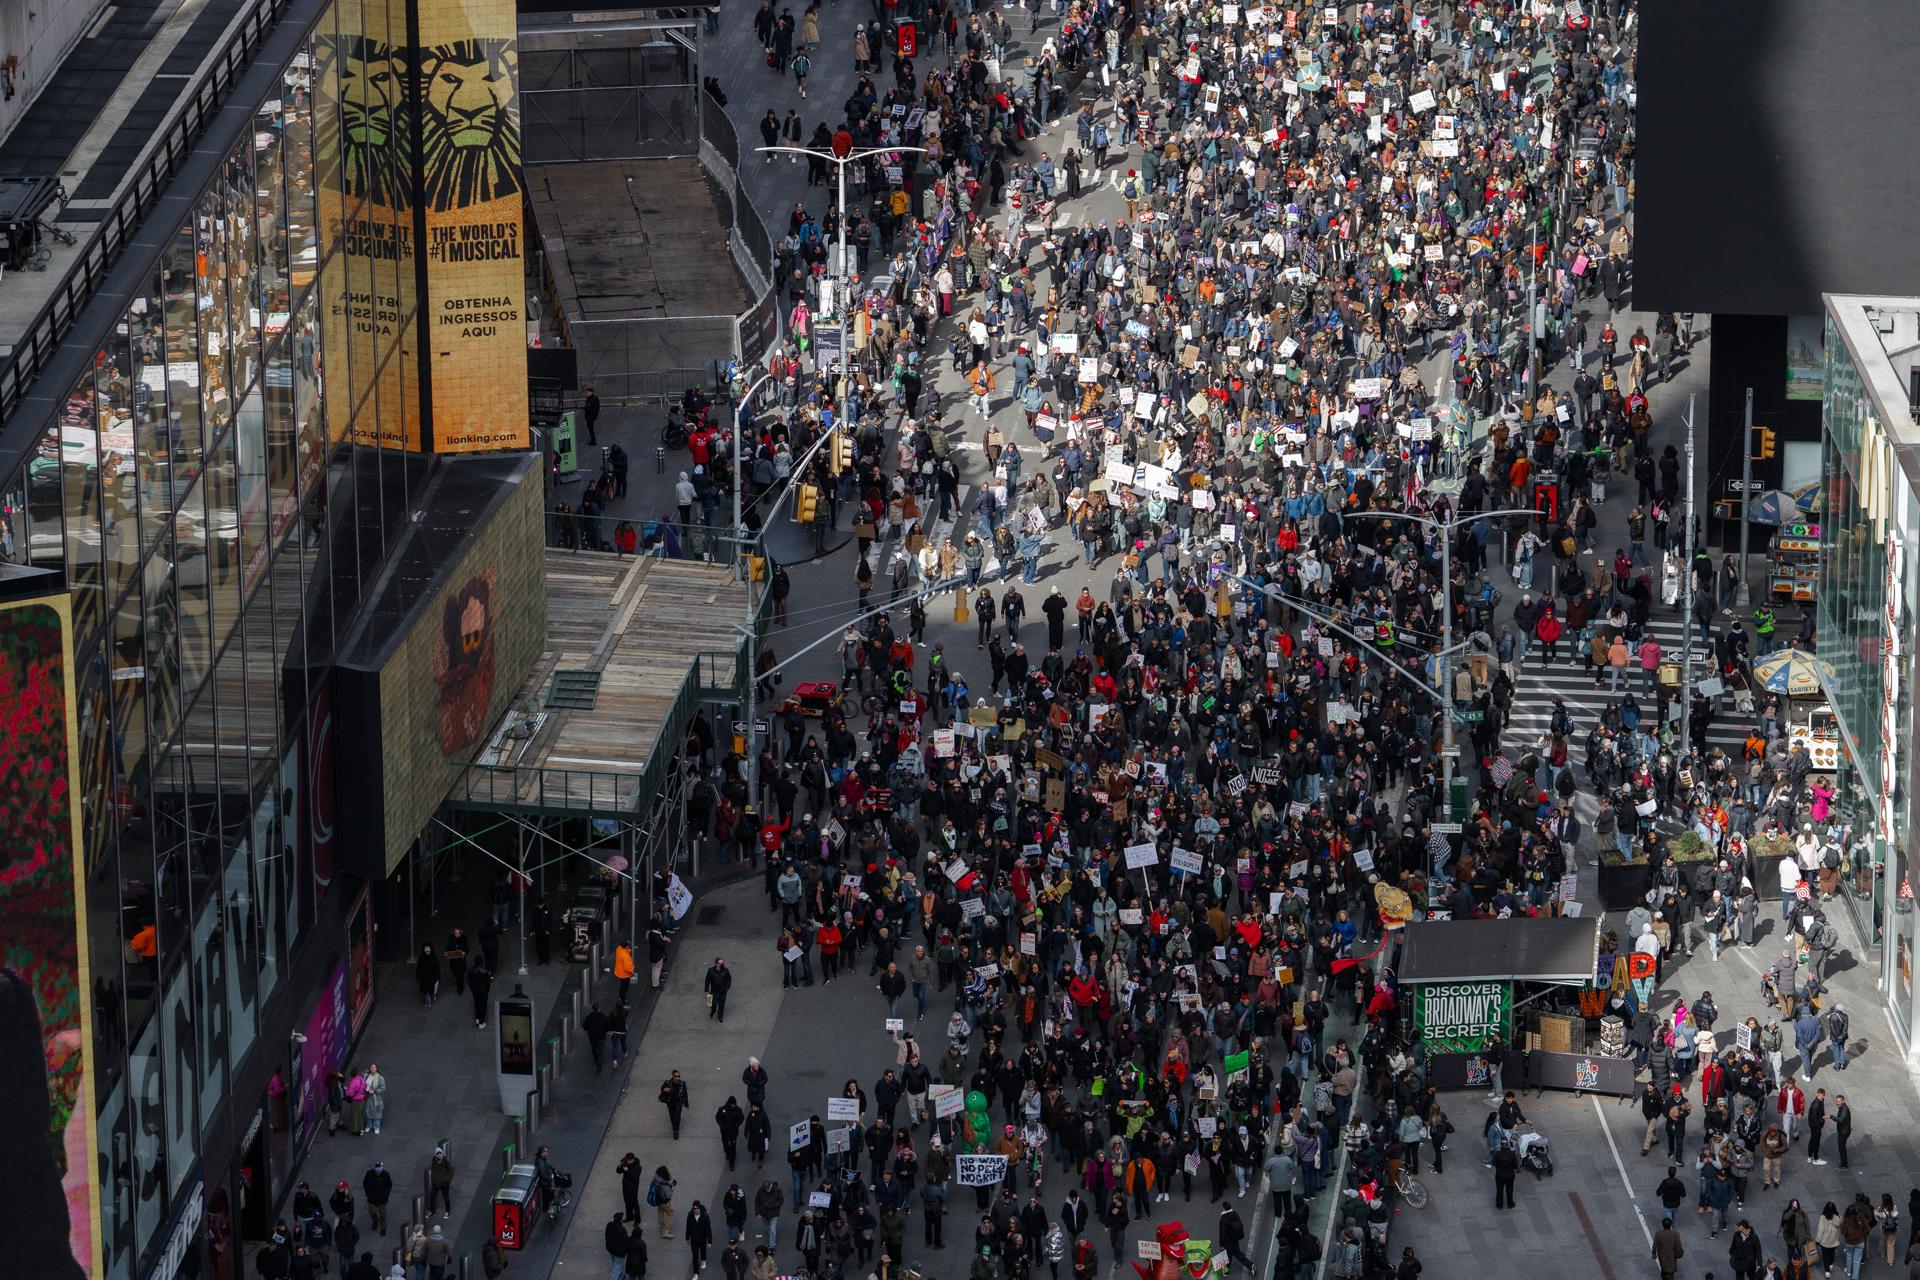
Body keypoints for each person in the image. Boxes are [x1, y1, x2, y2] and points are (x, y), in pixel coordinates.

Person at [649, 1167, 678, 1239]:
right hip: (664, 1201)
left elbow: (651, 1184)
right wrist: (672, 1188)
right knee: (670, 1212)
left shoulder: (656, 1177)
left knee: (660, 1212)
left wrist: (669, 1186)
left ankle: (661, 1227)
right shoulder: (664, 1183)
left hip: (657, 1200)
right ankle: (665, 1231)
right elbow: (668, 1195)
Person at [660, 1070, 690, 1139]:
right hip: (670, 1103)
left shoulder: (682, 1083)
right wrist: (665, 1089)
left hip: (679, 1103)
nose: (678, 1078)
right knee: (672, 1117)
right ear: (673, 1076)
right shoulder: (667, 1083)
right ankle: (674, 1126)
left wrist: (686, 1103)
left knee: (677, 1117)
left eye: (679, 1076)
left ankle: (676, 1132)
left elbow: (685, 1093)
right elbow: (662, 1088)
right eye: (676, 1076)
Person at [1492, 1140, 1519, 1210]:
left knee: (1499, 1189)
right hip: (1510, 1175)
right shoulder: (1512, 1154)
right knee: (1509, 1189)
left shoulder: (1497, 1154)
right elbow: (1516, 1165)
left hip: (1499, 1175)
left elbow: (1493, 1163)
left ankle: (1499, 1204)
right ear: (1508, 1145)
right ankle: (1510, 1204)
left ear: (1501, 1145)